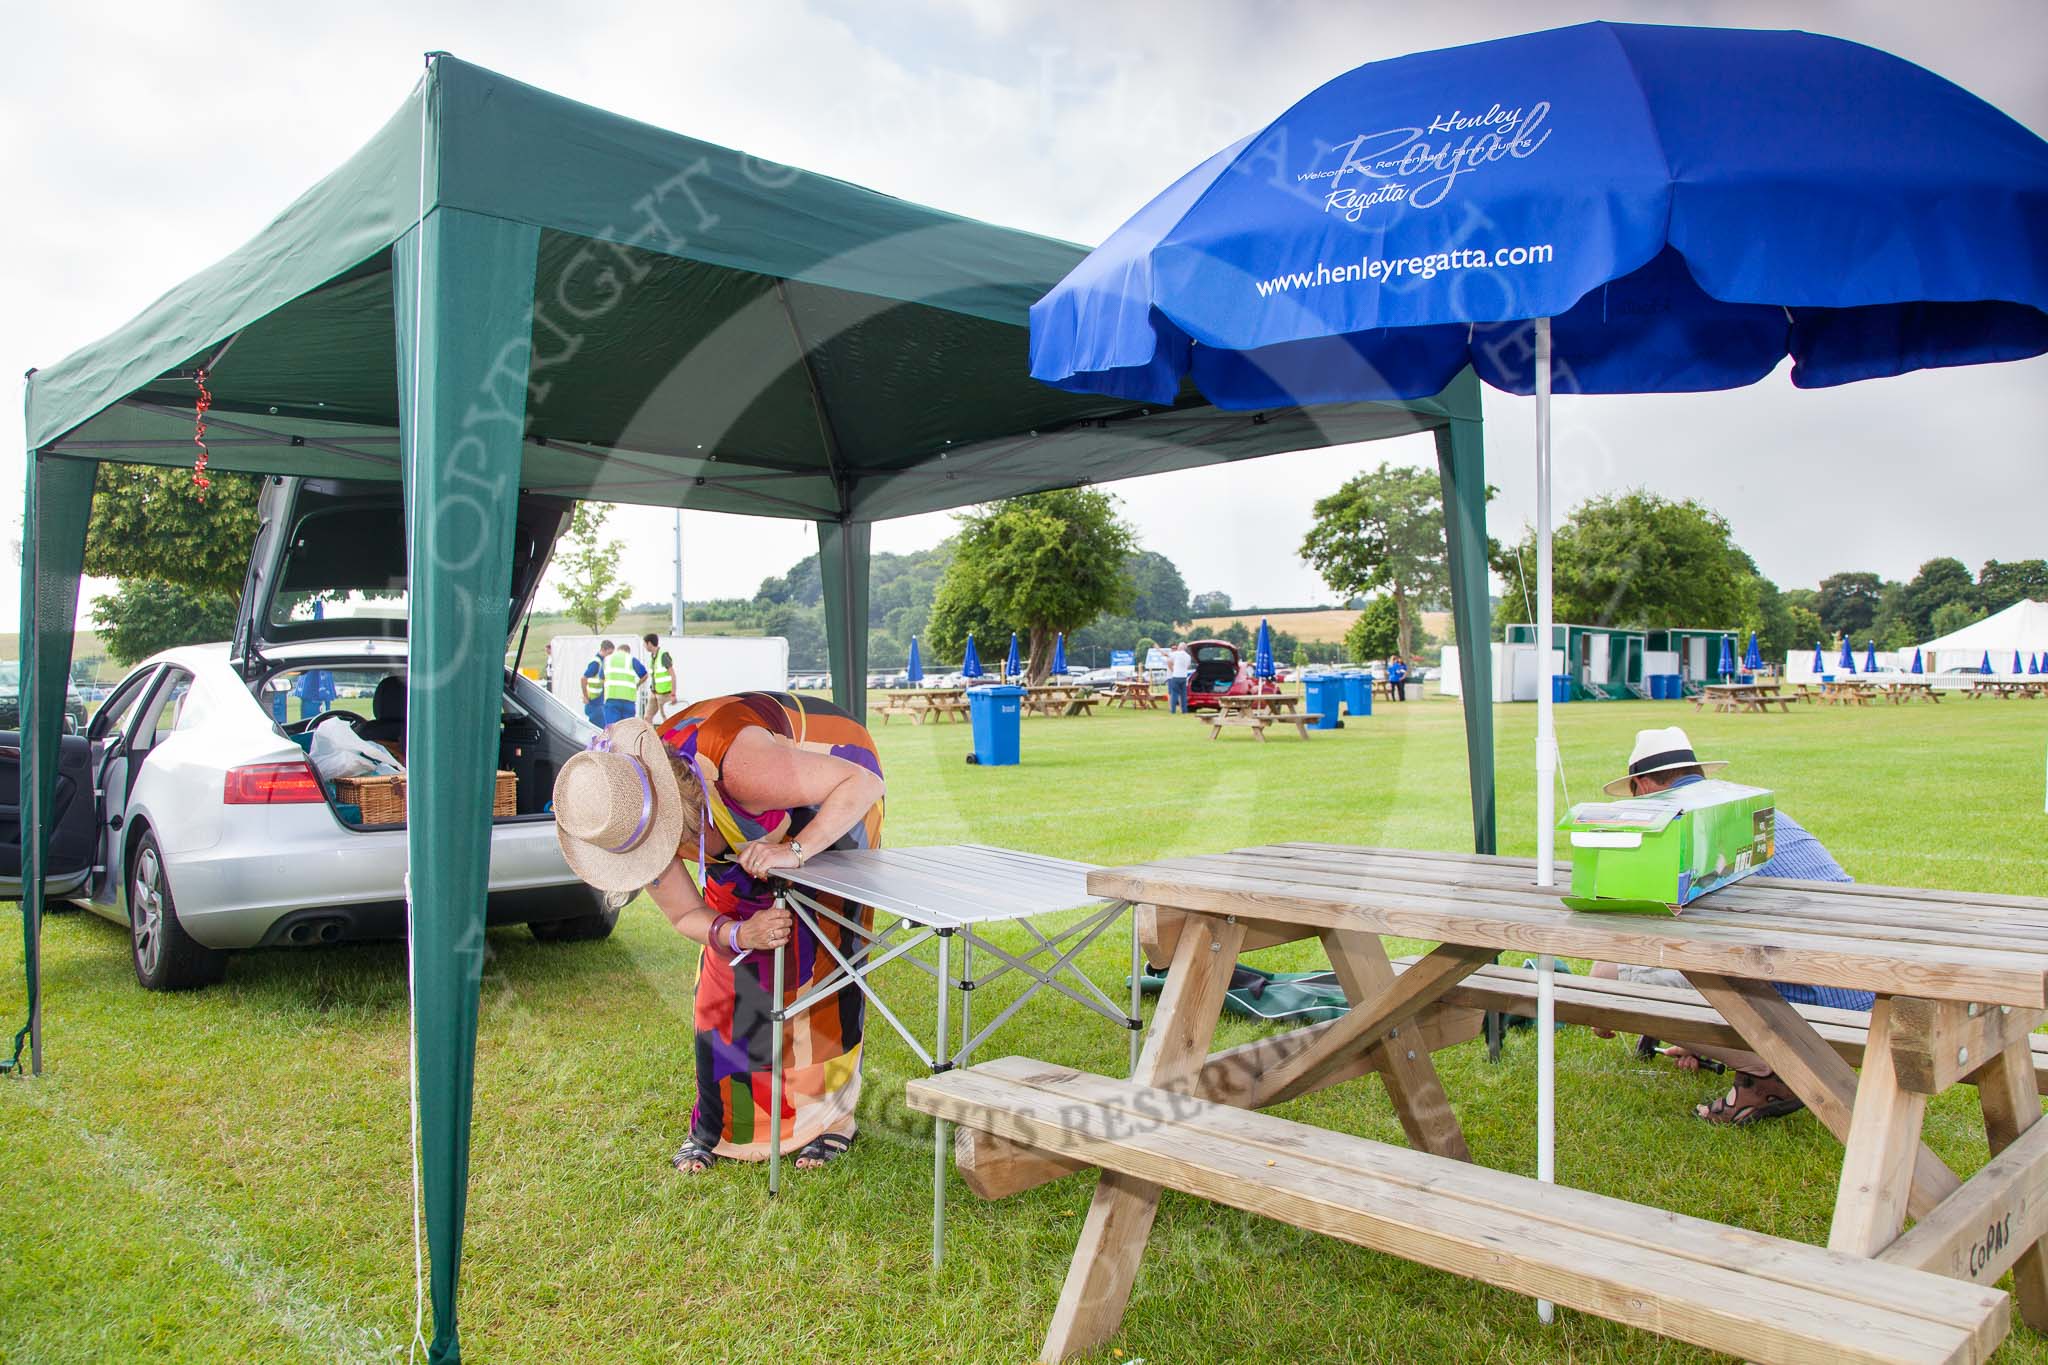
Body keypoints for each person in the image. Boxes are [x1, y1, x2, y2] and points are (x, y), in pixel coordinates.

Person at [552, 694, 886, 1175]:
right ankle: (717, 1125)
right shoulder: (623, 814)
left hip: (835, 775)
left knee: (824, 957)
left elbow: (862, 783)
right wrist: (740, 934)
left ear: (676, 821)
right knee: (727, 976)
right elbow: (686, 913)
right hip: (724, 814)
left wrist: (795, 850)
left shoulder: (739, 766)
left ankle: (834, 1119)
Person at [1587, 726, 1872, 1125]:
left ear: (1642, 785)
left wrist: (1607, 1006)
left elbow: (1640, 940)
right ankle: (1746, 1057)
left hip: (1809, 1001)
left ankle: (1767, 1070)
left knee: (1607, 979)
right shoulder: (1749, 806)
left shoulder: (1672, 822)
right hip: (1864, 987)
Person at [600, 639, 646, 725]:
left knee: (612, 728)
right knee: (627, 728)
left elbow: (601, 678)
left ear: (617, 650)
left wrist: (607, 687)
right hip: (628, 700)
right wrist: (637, 685)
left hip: (611, 698)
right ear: (628, 652)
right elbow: (645, 675)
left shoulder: (607, 659)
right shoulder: (631, 659)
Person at [643, 632, 677, 718]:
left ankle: (670, 732)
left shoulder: (663, 655)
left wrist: (673, 694)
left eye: (645, 643)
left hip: (665, 694)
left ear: (649, 643)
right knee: (647, 717)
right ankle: (651, 732)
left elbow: (673, 675)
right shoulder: (653, 657)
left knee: (667, 719)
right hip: (654, 693)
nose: (644, 646)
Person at [581, 641, 613, 727]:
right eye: (609, 653)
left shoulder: (603, 661)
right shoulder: (596, 663)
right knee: (598, 730)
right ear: (603, 650)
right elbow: (584, 678)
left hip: (599, 701)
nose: (610, 656)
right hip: (594, 703)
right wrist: (585, 696)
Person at [1165, 641, 1193, 713]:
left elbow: (1167, 656)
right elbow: (1188, 666)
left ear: (1180, 647)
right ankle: (1184, 710)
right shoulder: (1188, 656)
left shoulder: (1176, 654)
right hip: (1184, 677)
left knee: (1174, 694)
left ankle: (1173, 710)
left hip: (1176, 676)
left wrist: (1158, 649)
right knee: (1183, 695)